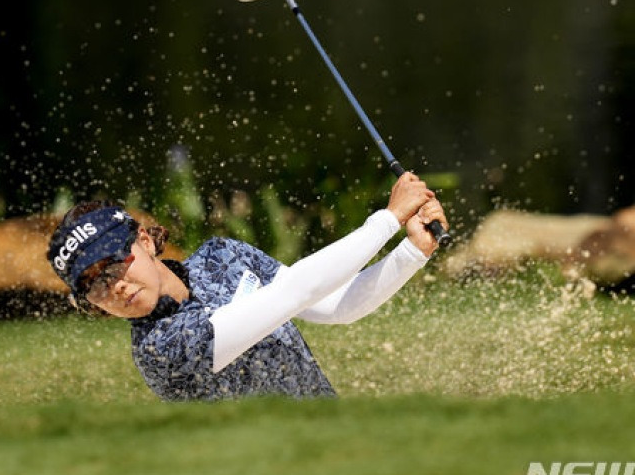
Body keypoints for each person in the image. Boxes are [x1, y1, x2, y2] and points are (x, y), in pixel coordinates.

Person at [47, 172, 448, 401]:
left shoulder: (221, 255)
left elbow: (333, 306)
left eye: (115, 262)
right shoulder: (161, 348)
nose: (114, 286)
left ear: (145, 241)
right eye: (93, 284)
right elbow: (294, 291)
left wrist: (412, 251)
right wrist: (388, 219)